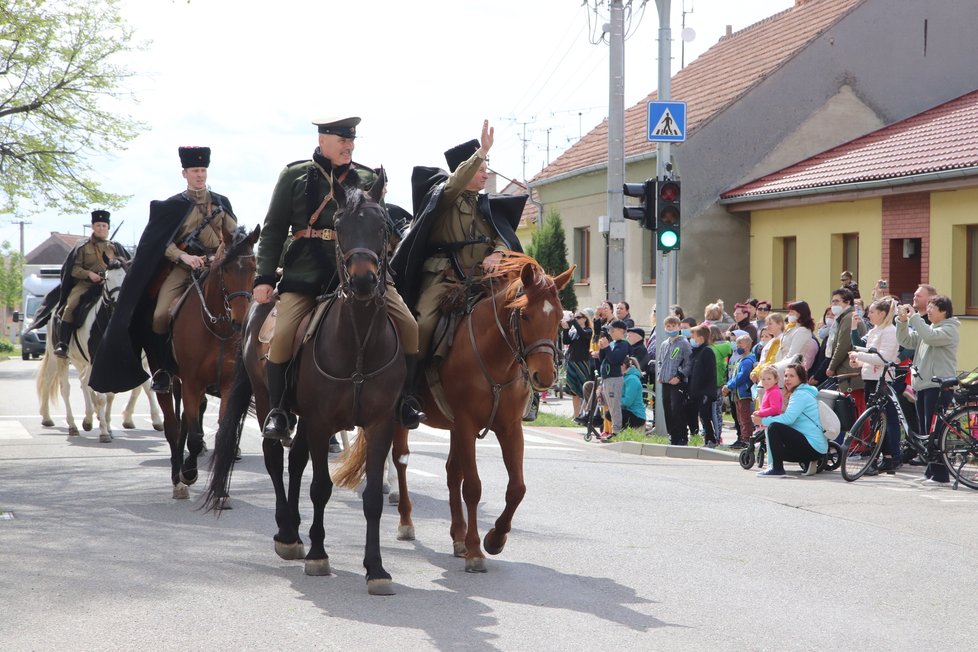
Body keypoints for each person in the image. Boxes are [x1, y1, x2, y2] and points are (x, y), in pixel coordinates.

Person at [255, 117, 423, 438]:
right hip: (306, 273)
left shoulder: (367, 178)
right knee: (283, 334)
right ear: (323, 141)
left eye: (351, 140)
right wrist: (263, 277)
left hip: (361, 275)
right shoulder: (294, 176)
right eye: (342, 140)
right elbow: (274, 229)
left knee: (409, 325)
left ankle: (406, 400)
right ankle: (279, 411)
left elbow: (379, 230)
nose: (349, 145)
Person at [89, 146, 237, 395]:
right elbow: (160, 243)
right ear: (184, 173)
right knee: (159, 316)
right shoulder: (171, 206)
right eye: (194, 170)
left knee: (242, 307)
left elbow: (234, 236)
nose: (199, 175)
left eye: (202, 170)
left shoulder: (221, 203)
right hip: (182, 268)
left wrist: (218, 255)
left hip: (216, 267)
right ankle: (165, 369)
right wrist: (184, 256)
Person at [896, 294, 959, 484]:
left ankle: (941, 475)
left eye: (932, 308)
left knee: (935, 431)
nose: (928, 310)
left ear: (944, 311)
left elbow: (930, 338)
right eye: (928, 307)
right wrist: (902, 321)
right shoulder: (929, 328)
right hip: (923, 384)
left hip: (938, 385)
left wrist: (915, 317)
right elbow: (907, 341)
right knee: (926, 432)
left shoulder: (949, 329)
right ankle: (931, 472)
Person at [53, 210, 129, 358]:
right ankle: (63, 344)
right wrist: (89, 274)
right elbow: (74, 268)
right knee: (70, 306)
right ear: (93, 227)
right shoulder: (82, 246)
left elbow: (126, 266)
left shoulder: (115, 247)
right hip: (86, 284)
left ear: (108, 228)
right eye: (98, 225)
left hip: (109, 284)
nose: (101, 228)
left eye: (104, 225)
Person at [850, 297, 900, 474]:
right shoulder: (874, 331)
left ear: (882, 313)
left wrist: (859, 356)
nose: (868, 314)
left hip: (882, 379)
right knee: (875, 419)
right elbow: (871, 357)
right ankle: (886, 458)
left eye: (871, 311)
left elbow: (883, 358)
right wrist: (860, 362)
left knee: (878, 420)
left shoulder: (890, 331)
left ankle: (879, 457)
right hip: (870, 377)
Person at [753, 363, 827, 477]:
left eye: (792, 376)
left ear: (801, 378)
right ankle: (807, 462)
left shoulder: (800, 395)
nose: (787, 379)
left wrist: (762, 421)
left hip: (813, 447)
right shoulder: (804, 392)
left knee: (774, 427)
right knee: (777, 438)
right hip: (816, 447)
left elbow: (788, 419)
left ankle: (777, 470)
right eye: (786, 375)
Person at [825, 287, 867, 414]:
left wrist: (831, 367)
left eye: (837, 302)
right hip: (848, 371)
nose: (834, 305)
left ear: (848, 302)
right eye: (832, 302)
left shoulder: (849, 317)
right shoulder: (844, 317)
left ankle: (863, 435)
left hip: (851, 373)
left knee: (856, 411)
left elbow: (842, 345)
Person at [593, 320, 629, 441]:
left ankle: (616, 431)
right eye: (610, 330)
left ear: (621, 331)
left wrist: (607, 347)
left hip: (614, 378)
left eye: (613, 330)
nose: (610, 332)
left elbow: (615, 359)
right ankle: (609, 429)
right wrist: (603, 348)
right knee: (606, 405)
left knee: (614, 406)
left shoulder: (623, 344)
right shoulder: (613, 343)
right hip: (606, 378)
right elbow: (603, 358)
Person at [657, 315, 691, 445]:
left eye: (673, 326)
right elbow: (660, 362)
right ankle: (673, 435)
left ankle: (682, 436)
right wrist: (661, 375)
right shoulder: (665, 344)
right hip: (666, 382)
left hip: (677, 383)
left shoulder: (684, 343)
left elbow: (689, 363)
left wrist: (679, 376)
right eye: (668, 326)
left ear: (679, 327)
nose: (670, 329)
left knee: (677, 409)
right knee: (667, 409)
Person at [687, 324, 719, 447]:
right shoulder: (696, 352)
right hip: (696, 392)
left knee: (706, 416)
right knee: (701, 416)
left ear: (700, 338)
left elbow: (709, 374)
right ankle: (706, 439)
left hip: (705, 392)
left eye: (693, 336)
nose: (692, 339)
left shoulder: (707, 351)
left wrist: (706, 392)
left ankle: (711, 439)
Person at [723, 334, 756, 449]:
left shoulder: (748, 361)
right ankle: (742, 437)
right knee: (740, 417)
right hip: (738, 394)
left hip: (744, 393)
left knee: (745, 417)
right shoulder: (741, 360)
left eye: (739, 344)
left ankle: (747, 439)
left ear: (747, 346)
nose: (737, 347)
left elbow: (741, 377)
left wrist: (729, 385)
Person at [561, 310, 594, 418]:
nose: (576, 319)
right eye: (575, 317)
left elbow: (583, 335)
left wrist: (573, 322)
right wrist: (566, 329)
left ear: (585, 318)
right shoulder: (573, 331)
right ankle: (576, 415)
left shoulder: (588, 330)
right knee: (573, 390)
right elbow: (566, 341)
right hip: (572, 361)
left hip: (582, 362)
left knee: (583, 389)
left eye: (578, 317)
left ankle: (585, 413)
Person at [774, 300, 815, 375]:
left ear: (800, 313)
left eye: (792, 312)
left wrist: (777, 368)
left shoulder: (802, 331)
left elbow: (792, 354)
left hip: (789, 370)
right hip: (779, 367)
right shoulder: (790, 328)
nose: (789, 314)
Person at [620, 357, 647, 430]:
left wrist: (614, 400)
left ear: (623, 365)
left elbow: (627, 402)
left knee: (610, 414)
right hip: (629, 411)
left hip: (637, 415)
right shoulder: (626, 377)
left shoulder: (632, 379)